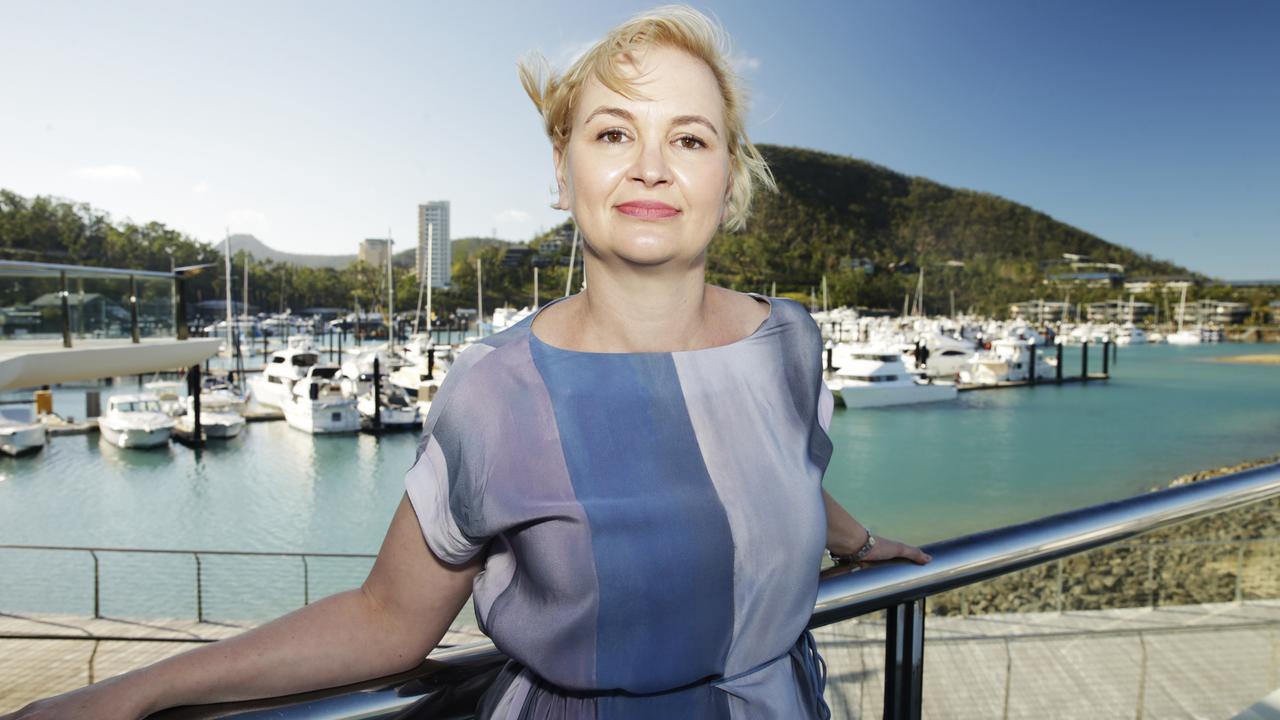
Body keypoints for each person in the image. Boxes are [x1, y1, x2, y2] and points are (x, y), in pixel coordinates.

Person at [2, 6, 929, 720]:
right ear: (563, 175)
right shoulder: (499, 389)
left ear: (728, 177)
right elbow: (387, 619)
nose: (652, 165)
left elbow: (779, 461)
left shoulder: (792, 342)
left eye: (689, 137)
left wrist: (851, 538)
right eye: (613, 132)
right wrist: (140, 692)